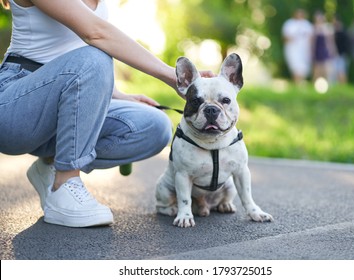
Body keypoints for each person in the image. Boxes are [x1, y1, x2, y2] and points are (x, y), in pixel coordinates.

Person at [0, 0, 213, 228]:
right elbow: (96, 34)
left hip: (60, 98)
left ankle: (51, 166)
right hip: (15, 104)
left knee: (154, 125)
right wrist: (175, 77)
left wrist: (118, 95)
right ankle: (65, 182)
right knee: (95, 56)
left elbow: (73, 56)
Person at [282, 9, 314, 84]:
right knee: (296, 68)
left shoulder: (307, 25)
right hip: (292, 50)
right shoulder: (289, 24)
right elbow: (285, 37)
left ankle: (300, 84)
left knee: (303, 69)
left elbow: (311, 38)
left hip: (304, 51)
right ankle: (297, 83)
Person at [311, 11, 335, 83]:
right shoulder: (314, 28)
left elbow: (330, 41)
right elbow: (312, 42)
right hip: (317, 50)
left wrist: (332, 50)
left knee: (326, 68)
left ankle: (328, 83)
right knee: (317, 69)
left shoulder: (328, 28)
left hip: (325, 50)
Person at [332, 15, 351, 84]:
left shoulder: (343, 31)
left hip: (342, 54)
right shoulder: (334, 30)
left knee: (341, 71)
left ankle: (343, 84)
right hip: (336, 54)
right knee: (336, 71)